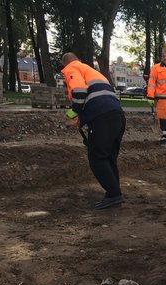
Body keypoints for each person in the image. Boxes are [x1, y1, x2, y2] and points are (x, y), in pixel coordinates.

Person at [61, 52, 126, 210]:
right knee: (108, 157)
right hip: (117, 116)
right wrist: (83, 119)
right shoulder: (92, 71)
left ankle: (114, 194)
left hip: (102, 118)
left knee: (97, 157)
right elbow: (97, 96)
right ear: (80, 59)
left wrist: (74, 111)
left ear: (65, 64)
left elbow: (79, 91)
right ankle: (114, 193)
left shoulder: (72, 68)